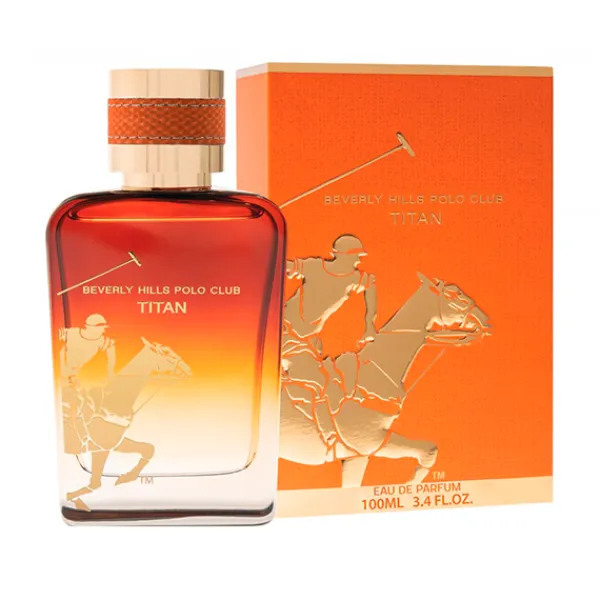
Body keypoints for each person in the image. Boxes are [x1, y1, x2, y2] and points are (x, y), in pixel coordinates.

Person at [283, 235, 378, 453]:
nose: (359, 260)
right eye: (356, 256)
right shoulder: (315, 267)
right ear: (342, 255)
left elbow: (371, 285)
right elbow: (282, 265)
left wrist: (369, 324)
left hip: (308, 340)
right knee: (317, 384)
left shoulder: (354, 278)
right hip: (285, 331)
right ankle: (328, 436)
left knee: (327, 380)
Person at [59, 314, 116, 454]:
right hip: (67, 379)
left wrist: (110, 381)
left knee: (89, 410)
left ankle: (85, 440)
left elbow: (111, 364)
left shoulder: (107, 343)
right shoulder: (69, 334)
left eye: (104, 327)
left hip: (89, 381)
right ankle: (79, 442)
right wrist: (64, 371)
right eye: (100, 327)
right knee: (72, 409)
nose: (103, 330)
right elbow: (60, 350)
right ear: (88, 327)